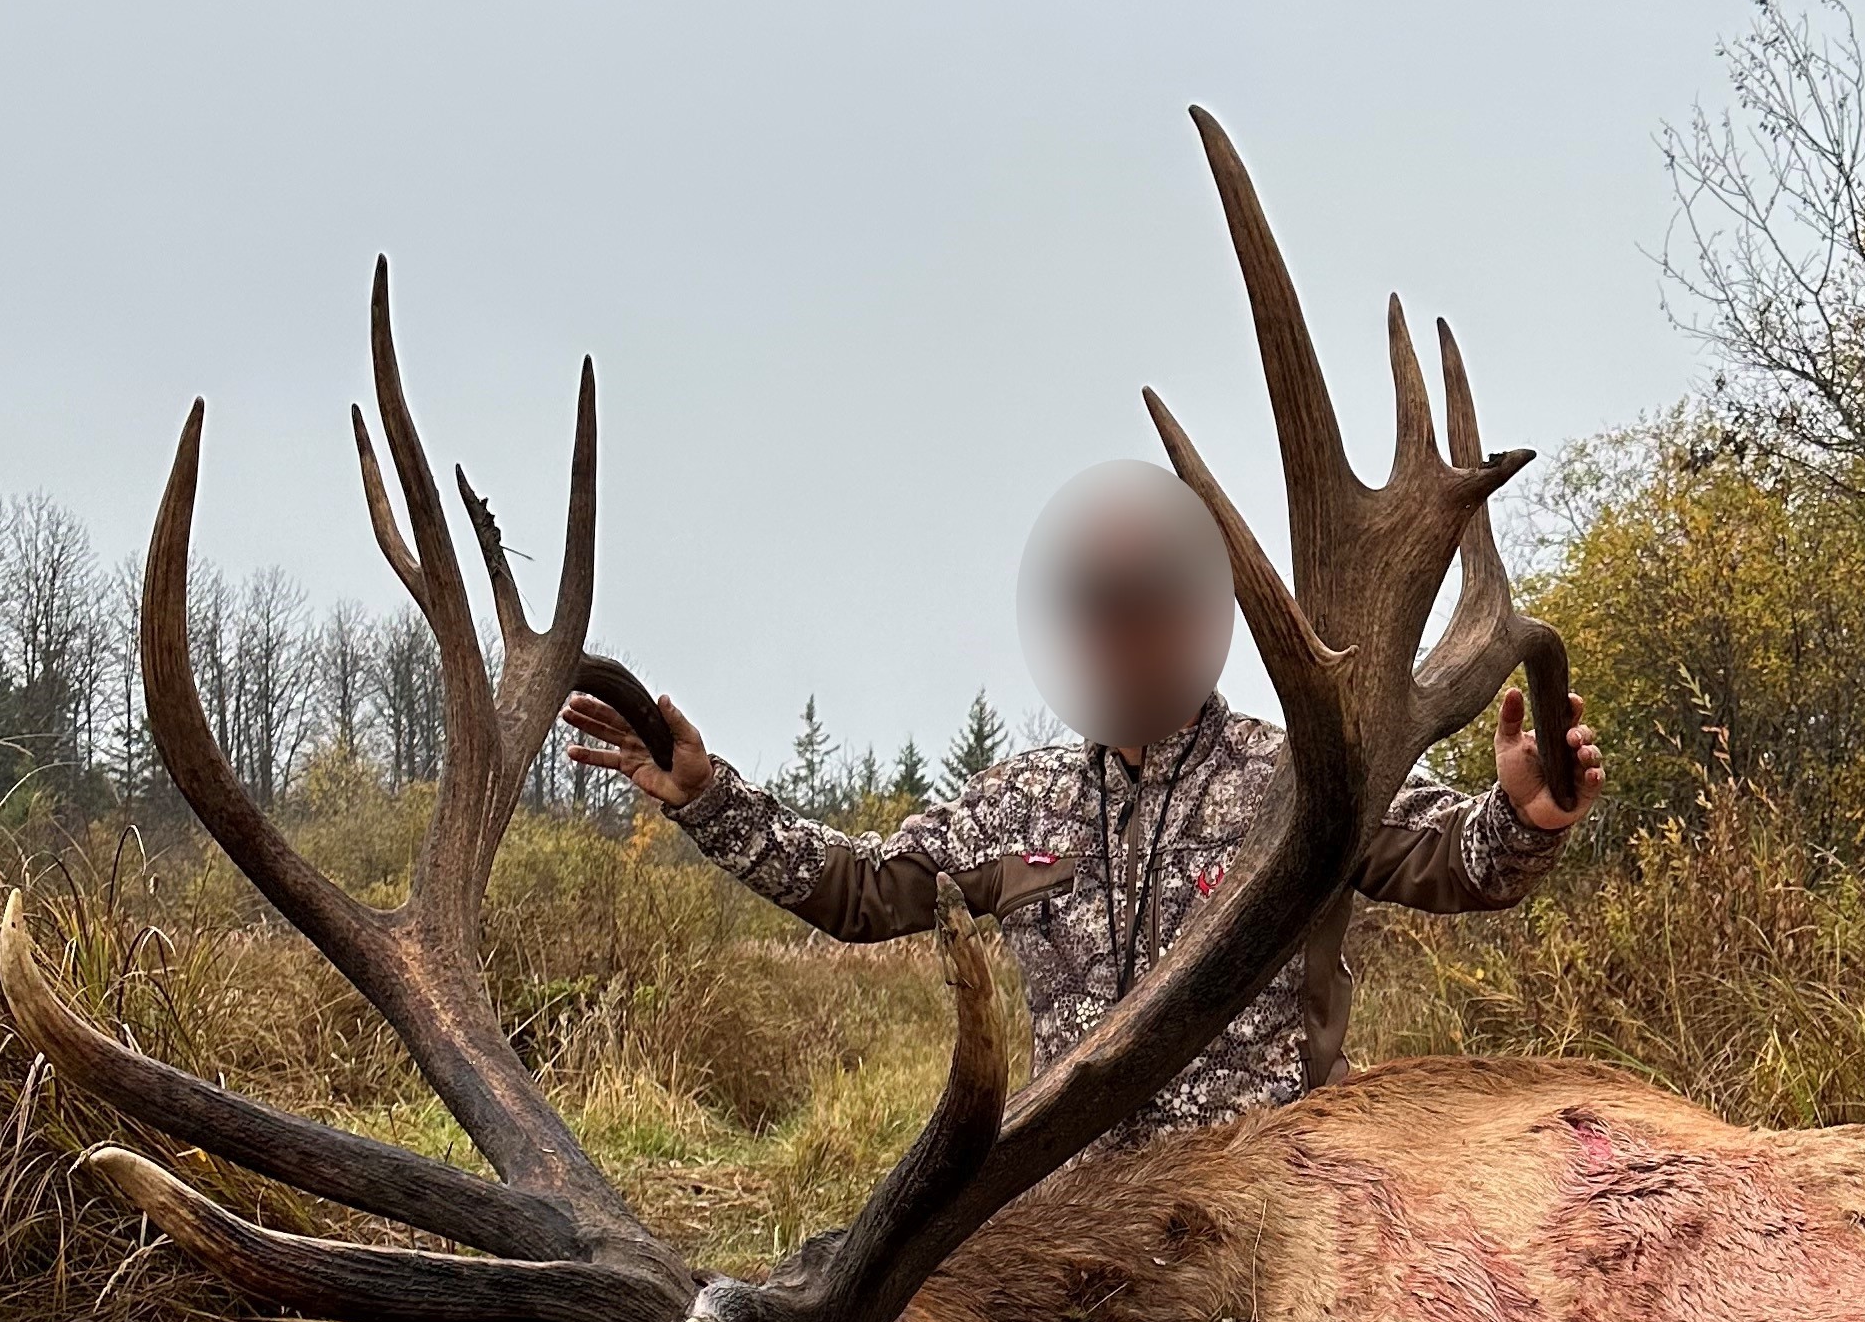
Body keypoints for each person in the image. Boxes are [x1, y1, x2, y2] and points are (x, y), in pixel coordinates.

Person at [565, 457, 1603, 1143]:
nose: (1122, 637)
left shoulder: (1299, 777)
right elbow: (863, 891)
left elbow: (1455, 858)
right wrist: (707, 798)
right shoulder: (1021, 811)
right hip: (1074, 1224)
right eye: (1099, 614)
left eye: (1148, 610)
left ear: (1201, 622)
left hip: (1269, 1213)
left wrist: (1524, 815)